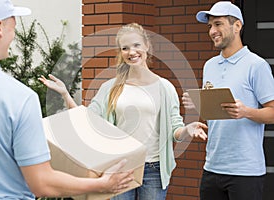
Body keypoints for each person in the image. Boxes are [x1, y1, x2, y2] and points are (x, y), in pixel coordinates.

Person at [0, 0, 134, 199]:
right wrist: (101, 184)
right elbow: (41, 183)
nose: (13, 36)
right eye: (13, 26)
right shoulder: (18, 98)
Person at [39, 22, 208, 200]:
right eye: (125, 48)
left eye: (136, 45)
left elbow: (175, 131)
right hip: (119, 167)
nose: (131, 52)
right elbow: (88, 119)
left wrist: (187, 130)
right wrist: (66, 94)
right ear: (120, 52)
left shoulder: (165, 87)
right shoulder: (110, 87)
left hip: (153, 170)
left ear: (147, 46)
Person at [182, 1, 274, 200]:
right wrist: (199, 104)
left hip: (245, 172)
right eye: (210, 26)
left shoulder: (256, 65)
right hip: (212, 167)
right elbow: (217, 113)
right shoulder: (209, 66)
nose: (212, 31)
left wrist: (247, 112)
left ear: (237, 26)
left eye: (218, 24)